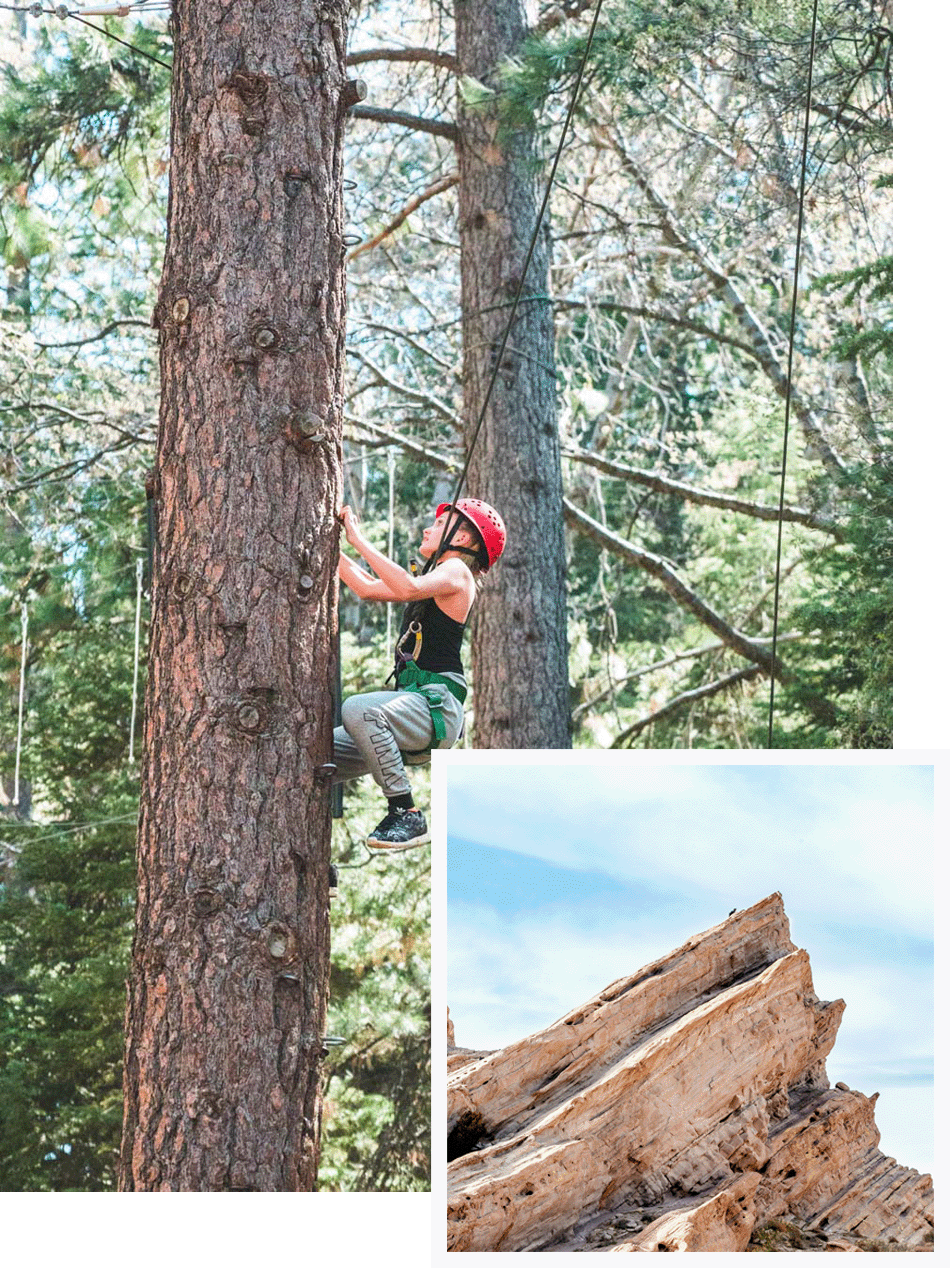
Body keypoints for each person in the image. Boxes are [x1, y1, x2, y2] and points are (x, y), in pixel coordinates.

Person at [335, 498, 506, 850]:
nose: (429, 528)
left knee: (358, 709)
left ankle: (405, 812)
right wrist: (326, 547)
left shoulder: (458, 572)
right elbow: (367, 588)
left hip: (434, 707)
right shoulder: (437, 580)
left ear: (464, 539)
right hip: (415, 706)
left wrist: (357, 539)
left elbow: (406, 588)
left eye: (440, 524)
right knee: (315, 755)